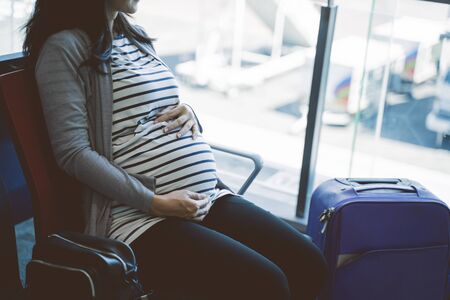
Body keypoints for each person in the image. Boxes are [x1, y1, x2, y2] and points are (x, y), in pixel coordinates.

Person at [23, 0, 328, 299]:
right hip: (140, 219)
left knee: (308, 262)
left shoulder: (133, 36)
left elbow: (148, 109)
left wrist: (187, 111)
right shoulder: (64, 48)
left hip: (205, 199)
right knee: (267, 283)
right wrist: (156, 203)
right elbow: (72, 153)